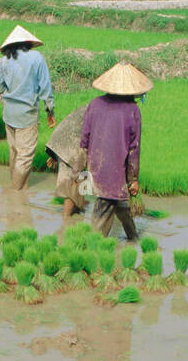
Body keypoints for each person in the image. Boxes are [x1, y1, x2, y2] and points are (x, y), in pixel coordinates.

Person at [80, 62, 152, 239]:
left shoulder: (94, 104)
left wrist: (80, 169)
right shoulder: (132, 110)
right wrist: (133, 179)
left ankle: (133, 238)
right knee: (104, 207)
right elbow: (134, 148)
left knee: (119, 202)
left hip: (96, 164)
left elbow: (84, 140)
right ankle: (94, 248)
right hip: (115, 168)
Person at [0, 26, 55, 189]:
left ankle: (21, 187)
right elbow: (45, 88)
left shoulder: (4, 60)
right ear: (28, 42)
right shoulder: (36, 58)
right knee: (25, 156)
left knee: (14, 152)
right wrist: (50, 111)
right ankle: (15, 192)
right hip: (27, 115)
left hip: (9, 114)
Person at [46, 104, 89, 218]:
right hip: (71, 143)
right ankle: (66, 219)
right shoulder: (103, 113)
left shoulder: (94, 105)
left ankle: (79, 208)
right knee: (72, 184)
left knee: (82, 178)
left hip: (63, 139)